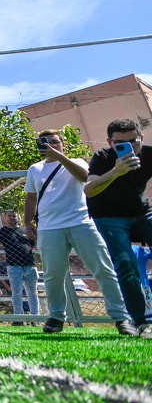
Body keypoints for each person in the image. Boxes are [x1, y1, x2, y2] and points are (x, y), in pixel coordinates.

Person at [24, 129, 137, 336]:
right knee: (53, 275)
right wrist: (27, 221)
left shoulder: (77, 161)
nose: (51, 145)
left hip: (81, 222)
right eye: (45, 142)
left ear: (63, 144)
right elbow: (31, 197)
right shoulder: (35, 169)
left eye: (55, 142)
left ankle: (121, 317)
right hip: (49, 227)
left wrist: (58, 156)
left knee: (103, 269)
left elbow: (85, 177)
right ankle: (57, 317)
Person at [83, 118, 152, 338]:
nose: (130, 147)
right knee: (125, 264)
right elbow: (89, 190)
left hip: (141, 212)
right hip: (109, 216)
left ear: (141, 137)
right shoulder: (103, 158)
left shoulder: (149, 154)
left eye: (134, 141)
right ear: (110, 142)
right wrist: (116, 172)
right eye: (121, 143)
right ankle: (142, 322)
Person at [0, 209, 39, 323]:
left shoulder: (25, 230)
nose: (12, 218)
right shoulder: (2, 231)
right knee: (16, 292)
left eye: (14, 216)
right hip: (14, 266)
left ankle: (36, 319)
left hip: (30, 265)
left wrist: (36, 235)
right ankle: (18, 318)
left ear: (17, 217)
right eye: (10, 216)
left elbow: (34, 246)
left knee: (33, 293)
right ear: (5, 218)